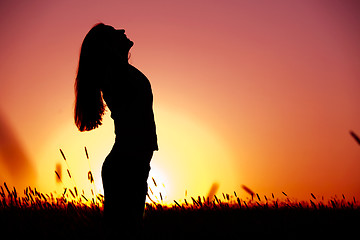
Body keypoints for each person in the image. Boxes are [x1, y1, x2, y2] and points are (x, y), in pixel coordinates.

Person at [74, 23, 158, 238]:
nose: (122, 31)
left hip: (132, 163)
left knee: (125, 231)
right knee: (124, 233)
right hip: (127, 165)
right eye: (114, 33)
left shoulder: (118, 72)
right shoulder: (115, 75)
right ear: (107, 46)